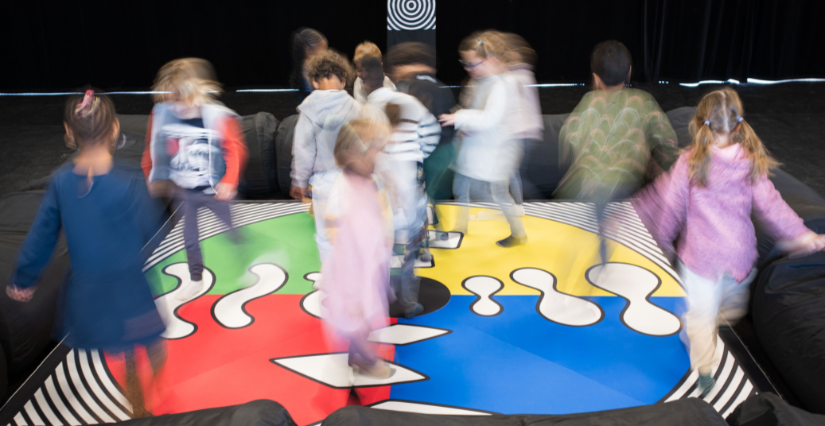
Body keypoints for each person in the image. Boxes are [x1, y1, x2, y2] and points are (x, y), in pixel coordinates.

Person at [631, 88, 825, 397]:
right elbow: (772, 206)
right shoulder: (749, 163)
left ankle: (704, 364)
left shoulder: (690, 163)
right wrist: (802, 236)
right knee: (726, 308)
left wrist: (661, 241)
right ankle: (708, 328)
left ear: (698, 124)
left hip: (700, 261)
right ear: (738, 126)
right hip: (739, 261)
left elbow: (668, 204)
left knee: (699, 318)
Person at [6, 90, 168, 417]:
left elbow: (41, 236)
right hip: (130, 289)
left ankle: (138, 407)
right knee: (153, 348)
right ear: (115, 130)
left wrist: (24, 278)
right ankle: (145, 402)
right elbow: (151, 228)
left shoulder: (60, 182)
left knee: (122, 349)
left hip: (90, 295)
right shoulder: (130, 179)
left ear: (68, 133)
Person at [556, 40, 678, 264]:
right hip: (626, 188)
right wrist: (661, 165)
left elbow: (568, 135)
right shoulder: (643, 100)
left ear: (595, 78)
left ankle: (597, 241)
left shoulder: (588, 101)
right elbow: (667, 140)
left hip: (585, 188)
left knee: (590, 210)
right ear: (629, 73)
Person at [146, 58, 248, 301]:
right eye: (173, 99)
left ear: (197, 92)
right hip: (184, 191)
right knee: (189, 238)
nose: (178, 106)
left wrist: (229, 180)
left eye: (183, 98)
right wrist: (153, 175)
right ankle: (195, 278)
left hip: (213, 189)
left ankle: (244, 262)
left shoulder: (216, 116)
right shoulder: (163, 115)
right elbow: (154, 147)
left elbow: (235, 149)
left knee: (231, 229)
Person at [361, 55, 440, 318]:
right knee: (412, 248)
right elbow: (432, 133)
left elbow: (358, 145)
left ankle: (380, 295)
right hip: (411, 183)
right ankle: (408, 301)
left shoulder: (366, 108)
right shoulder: (412, 103)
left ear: (363, 83)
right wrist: (419, 154)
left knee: (380, 246)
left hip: (381, 193)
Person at [439, 31, 527, 248]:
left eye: (473, 64)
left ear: (492, 60)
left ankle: (519, 233)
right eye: (465, 64)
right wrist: (465, 120)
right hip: (474, 148)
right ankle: (461, 226)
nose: (469, 69)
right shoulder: (478, 81)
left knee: (499, 193)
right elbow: (474, 110)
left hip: (494, 152)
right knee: (461, 186)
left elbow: (489, 118)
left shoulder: (500, 85)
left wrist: (460, 118)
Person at [322, 118, 395, 378]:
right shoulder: (343, 194)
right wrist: (352, 292)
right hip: (353, 273)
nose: (380, 156)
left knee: (367, 316)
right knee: (359, 319)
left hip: (370, 266)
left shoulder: (366, 180)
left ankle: (357, 355)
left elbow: (375, 215)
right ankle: (365, 360)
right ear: (355, 154)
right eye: (376, 149)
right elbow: (340, 242)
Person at [290, 50, 361, 266]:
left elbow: (303, 148)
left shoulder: (309, 110)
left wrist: (299, 180)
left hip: (323, 183)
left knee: (325, 232)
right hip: (353, 180)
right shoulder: (357, 107)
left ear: (313, 81)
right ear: (344, 79)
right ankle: (353, 273)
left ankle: (331, 277)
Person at [387, 42, 457, 202]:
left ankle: (428, 224)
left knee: (420, 196)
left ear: (406, 65)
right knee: (432, 195)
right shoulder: (441, 86)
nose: (395, 73)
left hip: (430, 151)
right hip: (446, 149)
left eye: (396, 67)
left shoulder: (415, 87)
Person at [503, 33, 543, 212]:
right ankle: (515, 206)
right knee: (514, 174)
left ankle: (532, 206)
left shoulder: (515, 76)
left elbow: (513, 107)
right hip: (526, 132)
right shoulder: (524, 73)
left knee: (514, 175)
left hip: (520, 133)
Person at [290, 28, 328, 104]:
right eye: (323, 52)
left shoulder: (308, 67)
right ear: (308, 52)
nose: (326, 55)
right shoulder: (308, 72)